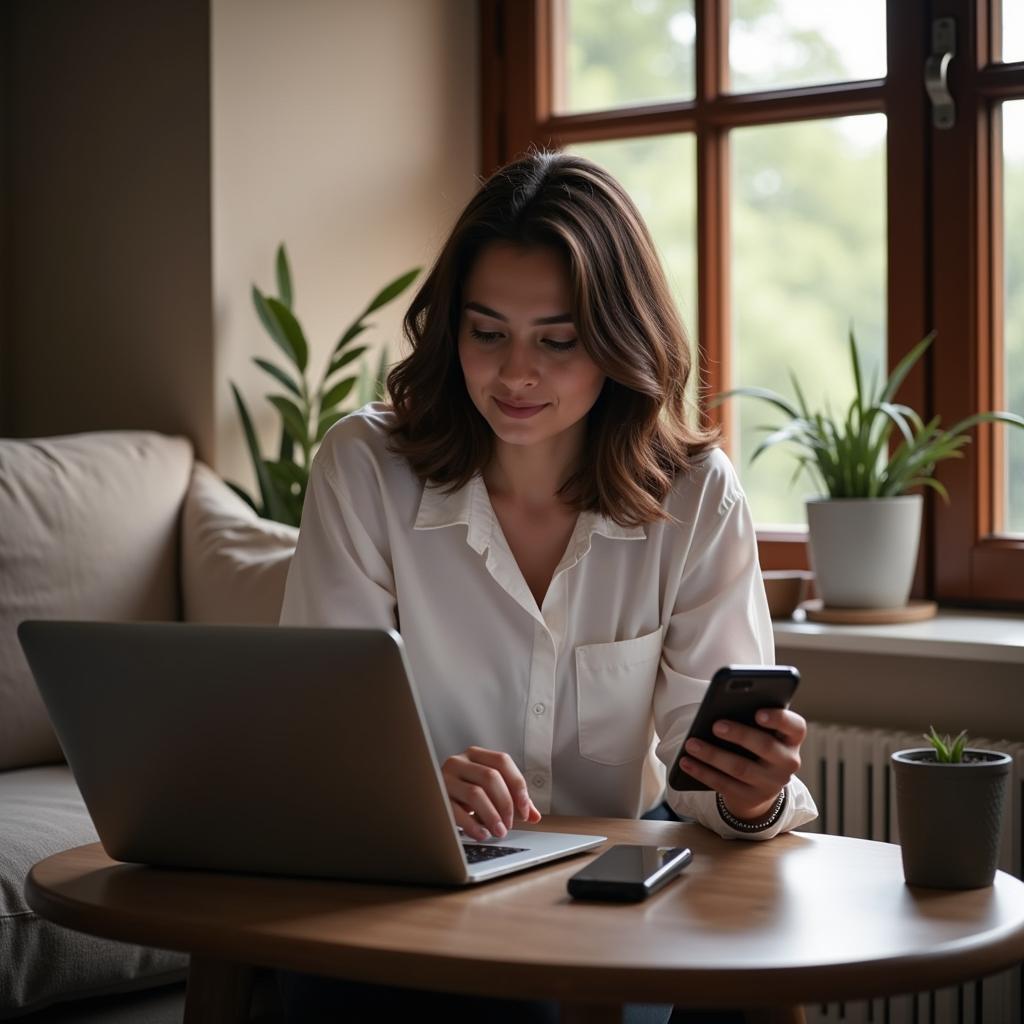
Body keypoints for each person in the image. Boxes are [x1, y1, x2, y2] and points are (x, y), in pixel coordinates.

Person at [277, 149, 818, 1023]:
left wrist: (747, 794)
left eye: (557, 342)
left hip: (610, 902)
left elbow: (700, 770)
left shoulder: (695, 495)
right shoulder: (366, 469)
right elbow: (314, 738)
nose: (515, 374)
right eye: (487, 333)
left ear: (620, 339)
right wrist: (414, 787)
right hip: (407, 894)